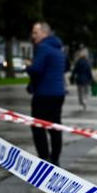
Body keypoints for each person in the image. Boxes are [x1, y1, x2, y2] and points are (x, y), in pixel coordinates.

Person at [25, 22, 66, 166]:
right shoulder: (59, 49)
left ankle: (44, 158)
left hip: (44, 93)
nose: (33, 36)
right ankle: (55, 159)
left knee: (38, 126)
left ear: (45, 33)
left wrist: (29, 66)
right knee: (55, 127)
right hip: (59, 93)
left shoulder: (43, 47)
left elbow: (37, 69)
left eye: (36, 33)